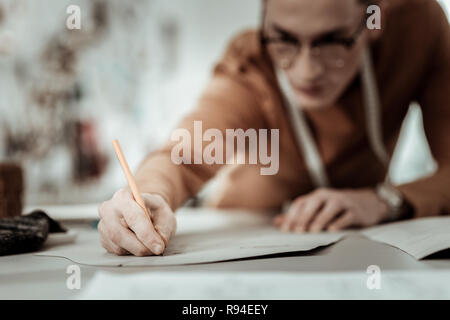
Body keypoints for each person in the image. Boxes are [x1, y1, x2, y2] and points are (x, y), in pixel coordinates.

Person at [98, 0, 450, 256]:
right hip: (250, 244)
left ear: (376, 20)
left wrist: (385, 201)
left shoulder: (419, 29)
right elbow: (182, 156)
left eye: (332, 41)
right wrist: (148, 196)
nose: (305, 70)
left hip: (358, 244)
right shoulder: (251, 64)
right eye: (284, 39)